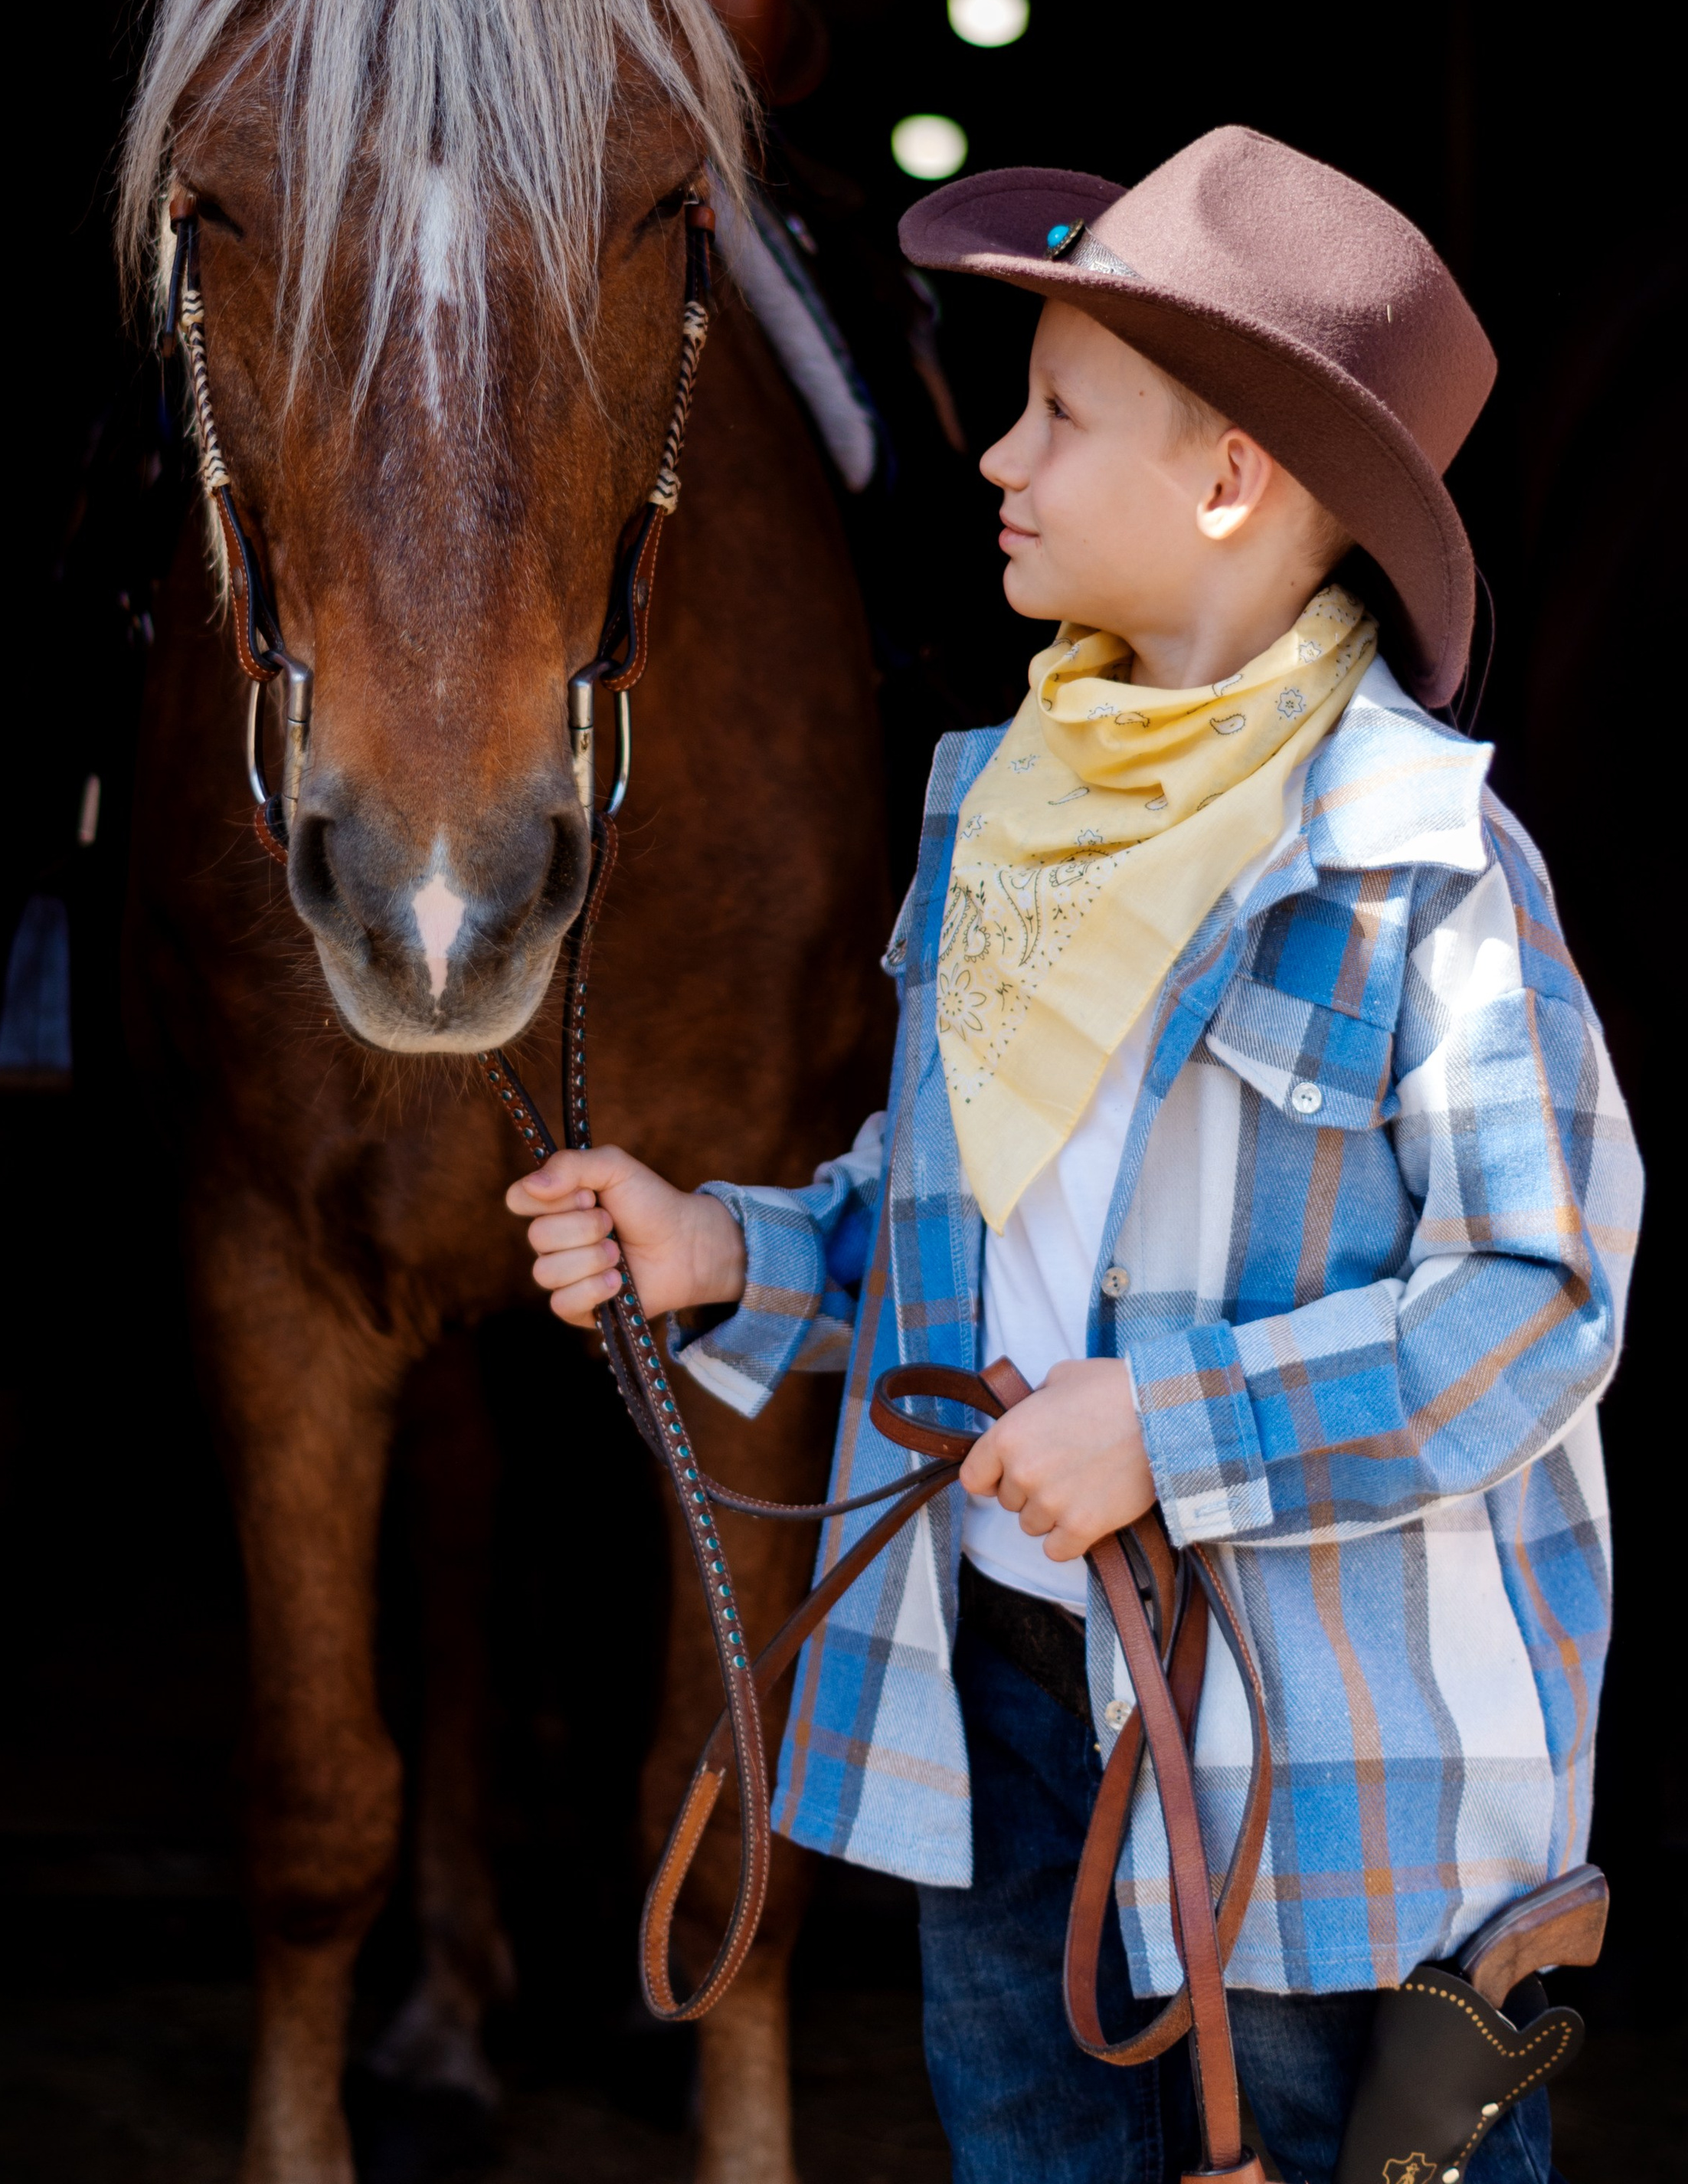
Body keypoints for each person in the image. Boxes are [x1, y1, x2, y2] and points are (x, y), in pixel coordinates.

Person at [507, 126, 1639, 2184]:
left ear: (1228, 485)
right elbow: (946, 1238)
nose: (998, 459)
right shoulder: (995, 818)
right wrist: (717, 1248)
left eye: (1056, 418)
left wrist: (1172, 1428)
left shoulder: (1427, 872)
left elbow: (1540, 1300)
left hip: (1319, 1764)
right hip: (1012, 1681)